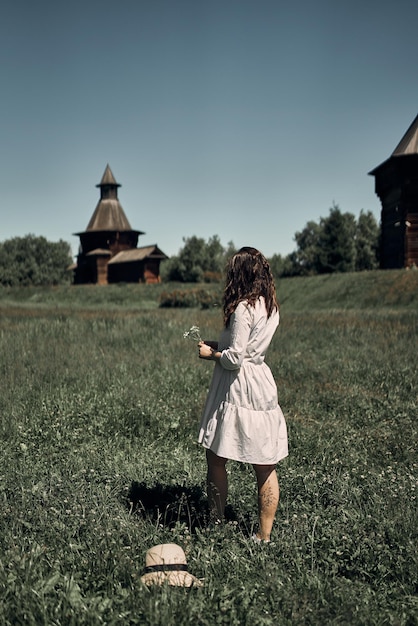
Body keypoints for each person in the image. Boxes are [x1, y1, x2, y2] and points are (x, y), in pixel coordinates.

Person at [197, 246, 288, 543]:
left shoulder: (242, 308)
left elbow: (235, 359)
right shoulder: (270, 307)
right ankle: (265, 537)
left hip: (238, 386)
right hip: (261, 381)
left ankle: (216, 523)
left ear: (240, 275)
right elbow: (247, 349)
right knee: (265, 465)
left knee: (217, 457)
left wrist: (211, 353)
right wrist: (219, 347)